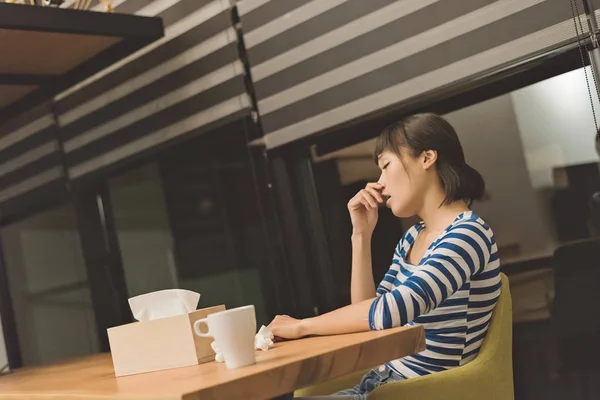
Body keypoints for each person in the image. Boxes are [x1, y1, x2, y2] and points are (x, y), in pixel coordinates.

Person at [270, 113, 501, 400]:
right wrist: (361, 236)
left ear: (427, 157)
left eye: (386, 166)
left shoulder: (467, 234)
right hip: (380, 384)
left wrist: (301, 326)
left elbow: (389, 312)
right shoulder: (412, 238)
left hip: (422, 393)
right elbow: (368, 318)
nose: (379, 183)